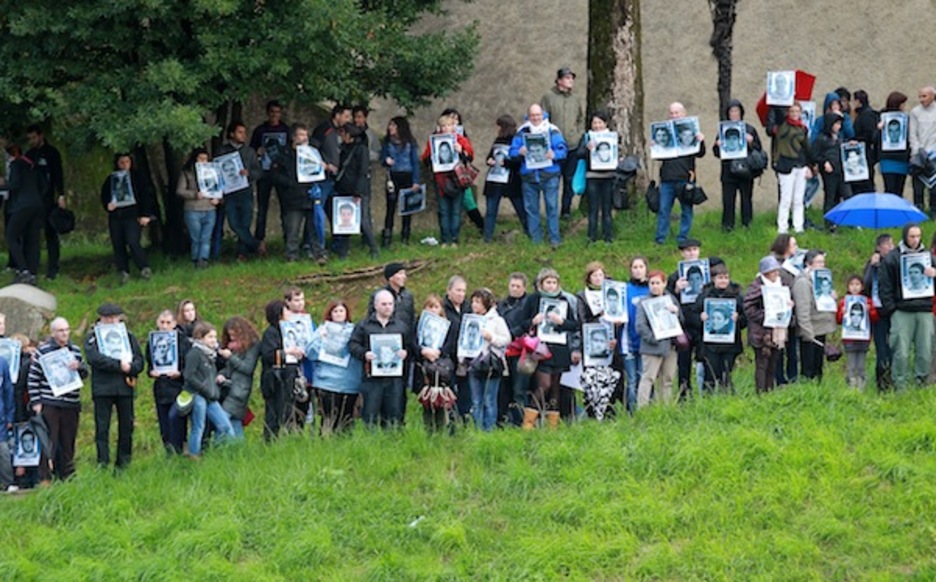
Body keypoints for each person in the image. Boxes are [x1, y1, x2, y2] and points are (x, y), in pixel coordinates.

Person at [515, 268, 580, 428]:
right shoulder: (533, 300)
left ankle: (552, 426)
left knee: (556, 388)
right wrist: (533, 321)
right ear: (541, 284)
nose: (551, 286)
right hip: (540, 350)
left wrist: (562, 322)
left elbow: (574, 325)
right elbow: (522, 323)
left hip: (559, 349)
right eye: (547, 282)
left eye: (554, 282)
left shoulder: (564, 300)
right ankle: (528, 423)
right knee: (544, 385)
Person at [85, 303, 144, 469]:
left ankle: (123, 464)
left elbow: (139, 360)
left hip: (125, 387)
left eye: (114, 318)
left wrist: (130, 368)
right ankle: (102, 463)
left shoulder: (128, 336)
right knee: (102, 428)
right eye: (107, 318)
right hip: (103, 388)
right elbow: (94, 358)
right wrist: (119, 365)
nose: (111, 321)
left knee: (127, 427)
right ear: (101, 318)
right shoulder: (93, 337)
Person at [27, 317, 87, 481]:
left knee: (68, 440)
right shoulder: (43, 351)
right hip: (50, 402)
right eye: (61, 331)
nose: (65, 333)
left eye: (67, 330)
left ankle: (66, 475)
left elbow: (85, 373)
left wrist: (79, 367)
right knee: (49, 441)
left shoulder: (74, 350)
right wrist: (36, 402)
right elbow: (33, 378)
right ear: (53, 333)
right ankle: (45, 477)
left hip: (71, 403)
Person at [879, 224, 936, 389]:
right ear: (905, 236)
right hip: (901, 310)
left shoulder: (928, 257)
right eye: (912, 236)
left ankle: (921, 384)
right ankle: (900, 384)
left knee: (925, 351)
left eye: (918, 236)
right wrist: (892, 309)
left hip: (925, 310)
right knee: (901, 352)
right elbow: (885, 285)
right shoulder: (893, 258)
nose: (915, 240)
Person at [349, 290, 412, 428]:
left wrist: (405, 353)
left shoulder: (401, 326)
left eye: (390, 304)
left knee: (394, 415)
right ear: (376, 305)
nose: (387, 307)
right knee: (370, 415)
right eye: (384, 304)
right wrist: (364, 354)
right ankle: (371, 444)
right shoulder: (364, 326)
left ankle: (392, 442)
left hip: (395, 378)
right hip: (372, 379)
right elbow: (353, 345)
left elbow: (411, 347)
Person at [509, 104, 568, 248]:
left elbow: (563, 149)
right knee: (531, 209)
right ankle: (536, 241)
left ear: (543, 115)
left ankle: (555, 239)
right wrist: (519, 152)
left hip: (550, 174)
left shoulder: (552, 130)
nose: (535, 118)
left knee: (552, 208)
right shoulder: (522, 131)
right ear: (528, 116)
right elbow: (511, 152)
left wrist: (555, 154)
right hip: (529, 176)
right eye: (532, 115)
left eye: (538, 115)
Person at [274, 123, 327, 263]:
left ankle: (319, 254)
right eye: (301, 135)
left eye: (305, 135)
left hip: (310, 195)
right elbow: (275, 174)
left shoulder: (312, 152)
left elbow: (318, 172)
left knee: (314, 228)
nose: (304, 138)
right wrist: (290, 183)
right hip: (293, 197)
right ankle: (291, 256)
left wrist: (321, 167)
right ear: (293, 137)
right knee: (293, 229)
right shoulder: (284, 154)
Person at [305, 301, 361, 435]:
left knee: (347, 419)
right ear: (330, 314)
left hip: (349, 381)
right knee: (328, 418)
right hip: (327, 381)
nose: (339, 314)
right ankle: (326, 444)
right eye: (335, 311)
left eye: (341, 311)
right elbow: (310, 353)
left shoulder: (355, 330)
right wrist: (321, 339)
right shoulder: (322, 329)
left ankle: (346, 446)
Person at [691, 262, 746, 394]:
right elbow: (692, 316)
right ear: (713, 279)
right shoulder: (705, 296)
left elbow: (746, 318)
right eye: (720, 278)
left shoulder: (736, 296)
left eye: (726, 278)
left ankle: (726, 401)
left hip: (730, 344)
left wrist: (738, 318)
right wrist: (701, 317)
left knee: (726, 374)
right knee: (710, 375)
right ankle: (708, 402)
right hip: (710, 345)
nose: (723, 281)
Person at [421, 113, 474, 247]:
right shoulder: (434, 140)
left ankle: (455, 239)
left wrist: (461, 150)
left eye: (449, 125)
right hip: (441, 180)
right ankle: (445, 239)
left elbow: (470, 156)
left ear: (454, 127)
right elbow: (425, 159)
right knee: (444, 211)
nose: (446, 128)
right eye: (443, 126)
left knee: (456, 211)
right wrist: (432, 155)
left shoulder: (461, 139)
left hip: (458, 180)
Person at [655, 102, 705, 245]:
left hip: (686, 178)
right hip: (667, 179)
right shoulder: (663, 133)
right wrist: (655, 145)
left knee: (686, 210)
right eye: (672, 113)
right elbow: (658, 156)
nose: (674, 116)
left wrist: (701, 141)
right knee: (664, 210)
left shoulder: (691, 131)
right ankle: (660, 238)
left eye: (677, 113)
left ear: (684, 114)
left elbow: (701, 153)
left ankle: (683, 237)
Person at [100, 153, 155, 284]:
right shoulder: (111, 179)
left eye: (127, 162)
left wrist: (145, 214)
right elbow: (104, 196)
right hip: (116, 217)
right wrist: (108, 205)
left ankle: (144, 267)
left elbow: (146, 196)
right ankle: (123, 271)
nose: (125, 165)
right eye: (122, 162)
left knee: (133, 242)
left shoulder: (138, 178)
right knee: (118, 244)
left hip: (132, 216)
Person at [575, 262, 620, 420]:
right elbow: (582, 320)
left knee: (611, 376)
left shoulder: (613, 293)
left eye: (600, 275)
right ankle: (592, 412)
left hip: (611, 340)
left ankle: (609, 410)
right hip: (591, 343)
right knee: (592, 378)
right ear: (589, 279)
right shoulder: (582, 296)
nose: (598, 278)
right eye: (594, 275)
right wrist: (598, 316)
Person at [183, 322, 235, 457]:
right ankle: (193, 456)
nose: (214, 340)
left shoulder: (211, 354)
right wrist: (204, 389)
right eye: (210, 337)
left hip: (211, 396)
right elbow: (188, 376)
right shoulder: (195, 353)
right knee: (198, 427)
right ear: (200, 338)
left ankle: (224, 454)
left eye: (214, 337)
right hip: (198, 395)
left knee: (225, 426)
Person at [713, 99, 763, 230]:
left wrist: (751, 142)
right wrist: (717, 145)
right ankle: (727, 226)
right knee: (728, 200)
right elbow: (716, 153)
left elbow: (758, 150)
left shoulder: (750, 129)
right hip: (728, 171)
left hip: (746, 170)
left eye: (737, 111)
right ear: (728, 114)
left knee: (746, 199)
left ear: (741, 113)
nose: (734, 114)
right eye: (731, 111)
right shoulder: (723, 129)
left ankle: (747, 224)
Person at [216, 122, 264, 259]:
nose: (243, 135)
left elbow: (259, 172)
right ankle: (256, 244)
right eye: (240, 132)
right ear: (232, 134)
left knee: (245, 222)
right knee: (234, 223)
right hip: (229, 192)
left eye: (244, 132)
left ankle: (242, 253)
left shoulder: (249, 152)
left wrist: (249, 173)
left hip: (245, 191)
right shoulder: (222, 151)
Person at [541, 67, 584, 218]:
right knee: (553, 180)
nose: (570, 80)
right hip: (555, 147)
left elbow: (580, 118)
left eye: (572, 78)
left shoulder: (576, 99)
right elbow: (543, 118)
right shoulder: (548, 97)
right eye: (567, 78)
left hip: (572, 145)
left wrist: (578, 135)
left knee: (569, 179)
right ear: (559, 80)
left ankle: (566, 211)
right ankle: (551, 212)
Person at [635, 270, 682, 408]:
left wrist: (676, 312)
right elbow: (640, 325)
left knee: (667, 380)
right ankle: (642, 410)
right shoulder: (643, 302)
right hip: (651, 347)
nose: (655, 286)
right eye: (652, 283)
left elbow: (682, 322)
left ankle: (665, 408)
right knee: (648, 378)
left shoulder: (672, 300)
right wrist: (654, 339)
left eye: (658, 283)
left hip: (670, 347)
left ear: (664, 284)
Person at [744, 256, 791, 393]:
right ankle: (760, 393)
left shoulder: (781, 285)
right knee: (762, 364)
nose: (776, 273)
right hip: (760, 333)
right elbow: (748, 308)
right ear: (765, 273)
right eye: (773, 271)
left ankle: (769, 391)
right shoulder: (757, 287)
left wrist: (787, 306)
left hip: (777, 331)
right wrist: (766, 316)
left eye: (777, 270)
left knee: (773, 364)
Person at [465, 288, 510, 431]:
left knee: (489, 400)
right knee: (476, 400)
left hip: (491, 364)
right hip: (474, 364)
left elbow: (507, 339)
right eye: (473, 301)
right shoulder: (469, 320)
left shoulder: (497, 320)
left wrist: (492, 338)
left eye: (478, 302)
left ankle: (489, 429)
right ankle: (477, 429)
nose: (474, 305)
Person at [146, 310, 189, 454]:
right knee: (164, 422)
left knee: (175, 417)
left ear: (175, 324)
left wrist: (180, 373)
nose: (164, 326)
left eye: (168, 323)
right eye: (162, 322)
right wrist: (151, 372)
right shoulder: (152, 341)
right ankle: (169, 452)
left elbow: (189, 365)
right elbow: (150, 364)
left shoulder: (183, 341)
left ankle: (180, 447)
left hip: (179, 386)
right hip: (161, 387)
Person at [24, 125, 65, 280]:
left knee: (50, 233)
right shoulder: (29, 154)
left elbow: (58, 174)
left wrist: (61, 194)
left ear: (40, 136)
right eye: (29, 139)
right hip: (33, 199)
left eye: (34, 137)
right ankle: (31, 268)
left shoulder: (52, 153)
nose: (32, 141)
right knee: (32, 234)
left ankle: (53, 269)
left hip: (47, 198)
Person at [259, 300, 303, 440]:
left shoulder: (289, 331)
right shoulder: (271, 333)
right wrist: (287, 352)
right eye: (287, 310)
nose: (290, 313)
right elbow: (268, 355)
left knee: (287, 410)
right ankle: (270, 441)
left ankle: (286, 439)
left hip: (287, 376)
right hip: (274, 379)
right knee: (273, 413)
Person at [335, 123, 379, 259]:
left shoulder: (361, 150)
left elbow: (362, 171)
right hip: (344, 189)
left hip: (358, 190)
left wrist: (358, 192)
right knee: (344, 223)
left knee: (363, 221)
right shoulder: (343, 148)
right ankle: (343, 252)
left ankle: (374, 248)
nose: (341, 136)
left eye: (343, 133)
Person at [4, 145, 46, 285]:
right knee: (32, 239)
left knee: (11, 236)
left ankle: (23, 270)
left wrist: (3, 185)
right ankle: (33, 273)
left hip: (21, 205)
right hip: (36, 204)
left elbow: (15, 184)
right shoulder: (32, 166)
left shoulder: (16, 165)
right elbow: (44, 185)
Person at [250, 100, 290, 244]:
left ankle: (288, 239)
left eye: (277, 112)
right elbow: (251, 151)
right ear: (268, 113)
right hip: (264, 173)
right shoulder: (260, 130)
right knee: (262, 209)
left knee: (285, 208)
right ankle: (260, 241)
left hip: (281, 173)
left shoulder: (286, 130)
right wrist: (257, 151)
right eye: (272, 112)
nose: (275, 115)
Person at [792, 250, 836, 381]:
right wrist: (807, 332)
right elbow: (802, 309)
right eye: (818, 262)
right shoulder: (803, 282)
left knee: (818, 367)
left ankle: (819, 391)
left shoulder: (822, 279)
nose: (822, 265)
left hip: (821, 327)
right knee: (809, 367)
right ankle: (808, 393)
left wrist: (831, 298)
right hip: (810, 330)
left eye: (823, 262)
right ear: (808, 263)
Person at [482, 115, 526, 242]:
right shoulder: (498, 140)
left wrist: (505, 163)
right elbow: (490, 156)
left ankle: (529, 232)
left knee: (520, 208)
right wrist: (489, 160)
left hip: (510, 180)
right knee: (491, 211)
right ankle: (487, 237)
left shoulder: (516, 139)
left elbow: (518, 161)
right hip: (494, 179)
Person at [576, 110, 617, 243]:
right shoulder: (587, 137)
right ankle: (591, 237)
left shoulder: (612, 137)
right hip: (592, 176)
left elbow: (618, 152)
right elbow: (579, 154)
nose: (597, 125)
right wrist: (587, 148)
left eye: (600, 122)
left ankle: (608, 237)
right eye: (595, 122)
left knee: (607, 209)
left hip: (608, 176)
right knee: (593, 208)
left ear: (605, 124)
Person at [770, 103, 812, 234]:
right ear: (788, 112)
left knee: (799, 199)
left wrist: (810, 166)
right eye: (792, 111)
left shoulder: (803, 128)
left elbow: (806, 149)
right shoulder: (782, 126)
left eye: (797, 111)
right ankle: (782, 227)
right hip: (785, 166)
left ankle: (798, 226)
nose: (794, 114)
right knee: (786, 199)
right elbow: (777, 113)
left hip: (800, 165)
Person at [217, 316, 261, 439]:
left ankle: (218, 445)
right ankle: (238, 447)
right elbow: (229, 368)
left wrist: (230, 356)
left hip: (240, 390)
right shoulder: (233, 347)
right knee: (235, 420)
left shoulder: (252, 345)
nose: (232, 338)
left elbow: (247, 368)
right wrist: (222, 374)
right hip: (229, 386)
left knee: (222, 419)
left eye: (234, 334)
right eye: (230, 335)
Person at [380, 117, 422, 246]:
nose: (390, 128)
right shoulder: (387, 142)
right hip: (392, 176)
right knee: (390, 207)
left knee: (407, 209)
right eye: (390, 125)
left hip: (407, 176)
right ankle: (387, 236)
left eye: (393, 125)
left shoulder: (410, 143)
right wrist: (385, 160)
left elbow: (415, 162)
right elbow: (382, 158)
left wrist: (416, 181)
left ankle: (405, 236)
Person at [177, 148, 220, 269]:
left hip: (210, 208)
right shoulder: (187, 172)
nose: (203, 162)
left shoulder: (213, 172)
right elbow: (180, 191)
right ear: (194, 160)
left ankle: (203, 260)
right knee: (196, 238)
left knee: (206, 237)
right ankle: (196, 260)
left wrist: (217, 199)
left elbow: (220, 189)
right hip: (193, 209)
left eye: (206, 159)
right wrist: (194, 194)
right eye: (201, 159)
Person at [863, 233, 895, 390]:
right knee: (882, 349)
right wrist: (872, 266)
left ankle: (893, 380)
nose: (891, 247)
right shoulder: (872, 263)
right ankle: (881, 384)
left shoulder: (895, 261)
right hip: (878, 312)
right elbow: (865, 285)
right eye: (887, 244)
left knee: (894, 349)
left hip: (893, 310)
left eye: (892, 244)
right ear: (878, 247)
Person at [811, 112, 852, 231]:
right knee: (831, 197)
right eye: (836, 124)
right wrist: (824, 162)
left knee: (847, 195)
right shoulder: (821, 139)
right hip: (829, 172)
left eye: (839, 124)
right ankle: (829, 224)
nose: (839, 126)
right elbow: (814, 155)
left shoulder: (839, 138)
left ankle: (849, 222)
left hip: (841, 171)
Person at [837, 276, 878, 389]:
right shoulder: (844, 302)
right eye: (852, 285)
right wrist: (842, 312)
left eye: (857, 284)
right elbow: (838, 320)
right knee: (851, 363)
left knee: (861, 364)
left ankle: (861, 386)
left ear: (862, 287)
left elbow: (875, 318)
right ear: (848, 287)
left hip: (863, 338)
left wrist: (870, 311)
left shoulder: (867, 301)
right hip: (849, 338)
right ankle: (851, 385)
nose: (854, 287)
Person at [909, 86, 936, 213]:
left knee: (934, 188)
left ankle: (933, 211)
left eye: (924, 96)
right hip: (919, 155)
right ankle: (918, 211)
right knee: (918, 187)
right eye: (920, 96)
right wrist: (917, 150)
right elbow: (912, 133)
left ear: (932, 96)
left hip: (934, 154)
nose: (921, 99)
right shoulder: (915, 112)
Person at [879, 92, 910, 198]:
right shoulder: (881, 117)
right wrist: (879, 129)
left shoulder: (906, 119)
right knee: (890, 189)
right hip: (887, 159)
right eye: (903, 104)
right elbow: (874, 139)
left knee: (899, 190)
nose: (904, 107)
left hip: (902, 159)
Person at [850, 90, 879, 194]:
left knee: (865, 185)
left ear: (858, 101)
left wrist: (857, 140)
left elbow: (869, 135)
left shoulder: (867, 115)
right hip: (862, 154)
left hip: (865, 154)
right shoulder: (862, 114)